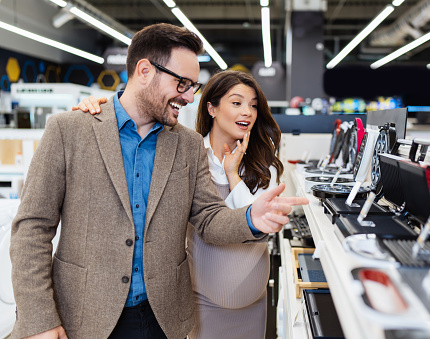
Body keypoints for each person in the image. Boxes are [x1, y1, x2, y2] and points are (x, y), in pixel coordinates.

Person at [9, 23, 307, 339]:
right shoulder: (69, 131)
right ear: (144, 71)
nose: (190, 97)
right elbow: (32, 228)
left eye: (193, 86)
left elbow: (208, 218)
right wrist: (38, 318)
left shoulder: (188, 144)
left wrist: (250, 217)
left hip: (161, 319)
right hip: (83, 316)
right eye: (182, 84)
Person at [75, 70, 284, 338]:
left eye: (253, 105)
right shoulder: (187, 152)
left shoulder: (264, 161)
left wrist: (233, 176)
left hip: (252, 301)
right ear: (211, 108)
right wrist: (99, 107)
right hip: (201, 300)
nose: (247, 112)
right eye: (236, 103)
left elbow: (261, 228)